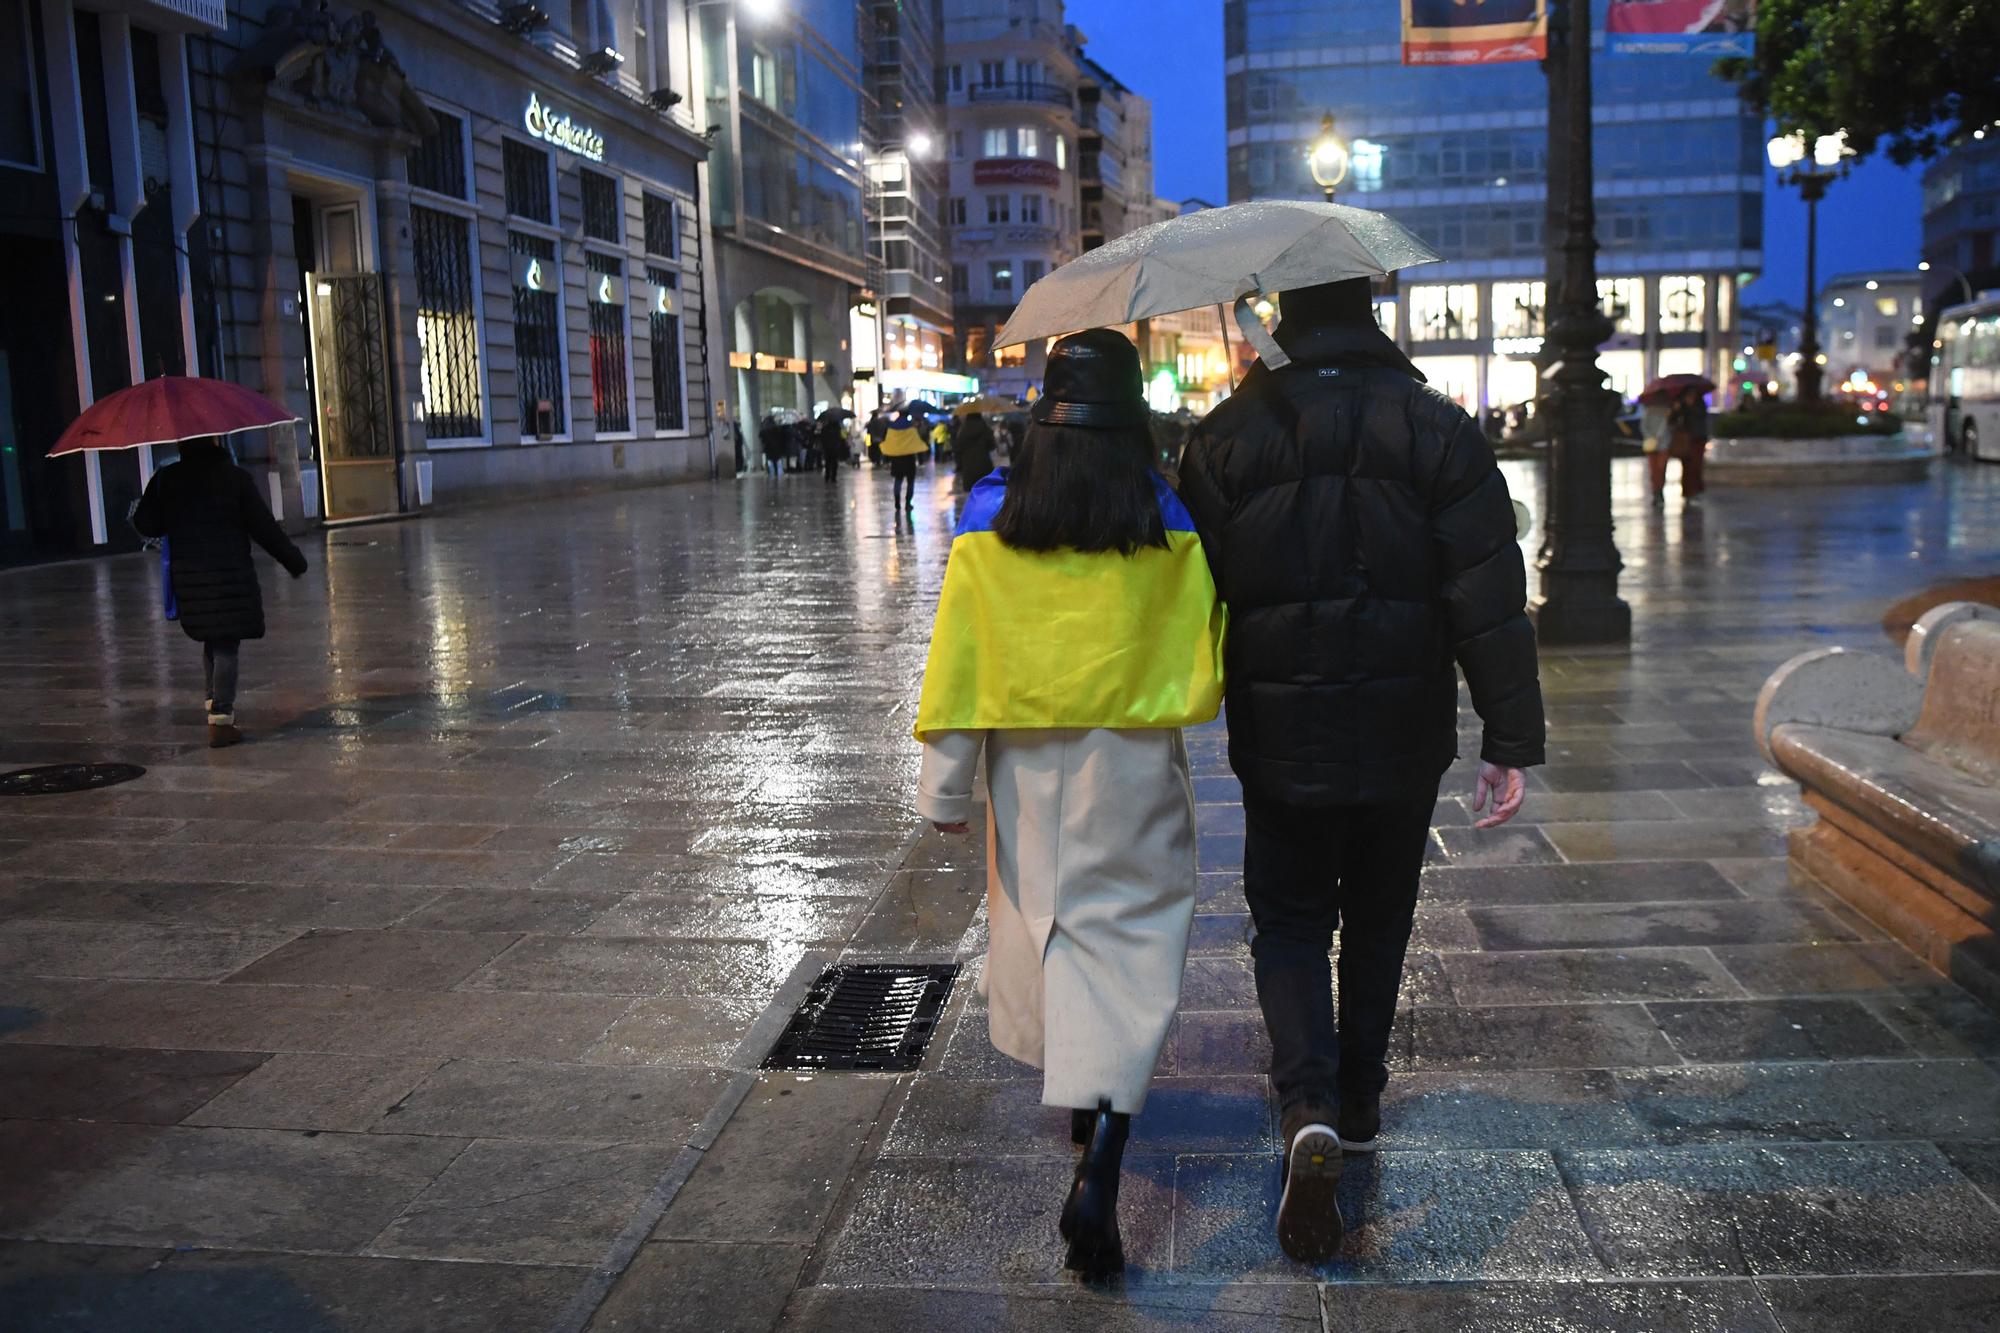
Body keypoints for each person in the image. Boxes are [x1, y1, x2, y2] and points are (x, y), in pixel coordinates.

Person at [1179, 277, 1545, 1264]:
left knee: (1289, 922)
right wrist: (1508, 733)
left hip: (1278, 726)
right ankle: (1361, 1098)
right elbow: (1487, 594)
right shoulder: (1437, 429)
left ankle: (1305, 1103)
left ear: (1282, 316)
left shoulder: (1223, 436)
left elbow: (1192, 586)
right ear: (1369, 312)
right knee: (1378, 919)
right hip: (1402, 726)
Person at [915, 329, 1225, 1279]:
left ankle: (1083, 1124)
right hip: (1129, 763)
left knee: (1050, 936)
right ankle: (1105, 1153)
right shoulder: (1166, 519)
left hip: (1026, 770)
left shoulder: (991, 521)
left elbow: (959, 658)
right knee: (1127, 952)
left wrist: (944, 790)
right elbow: (1207, 637)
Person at [131, 437, 309, 748]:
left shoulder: (168, 479)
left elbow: (147, 524)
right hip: (230, 576)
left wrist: (159, 498)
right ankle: (222, 719)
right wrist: (293, 560)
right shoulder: (234, 479)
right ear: (214, 442)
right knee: (226, 643)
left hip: (191, 578)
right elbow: (264, 527)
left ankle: (213, 703)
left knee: (212, 639)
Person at [879, 408, 928, 512]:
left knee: (898, 481)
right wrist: (921, 458)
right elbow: (916, 443)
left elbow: (889, 443)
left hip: (896, 459)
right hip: (909, 459)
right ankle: (908, 503)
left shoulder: (891, 428)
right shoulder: (911, 427)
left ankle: (897, 503)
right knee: (910, 482)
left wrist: (886, 459)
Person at [952, 410, 996, 493]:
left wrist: (959, 465)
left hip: (968, 467)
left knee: (971, 493)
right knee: (985, 491)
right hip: (984, 465)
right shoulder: (985, 428)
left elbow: (958, 449)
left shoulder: (963, 430)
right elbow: (992, 446)